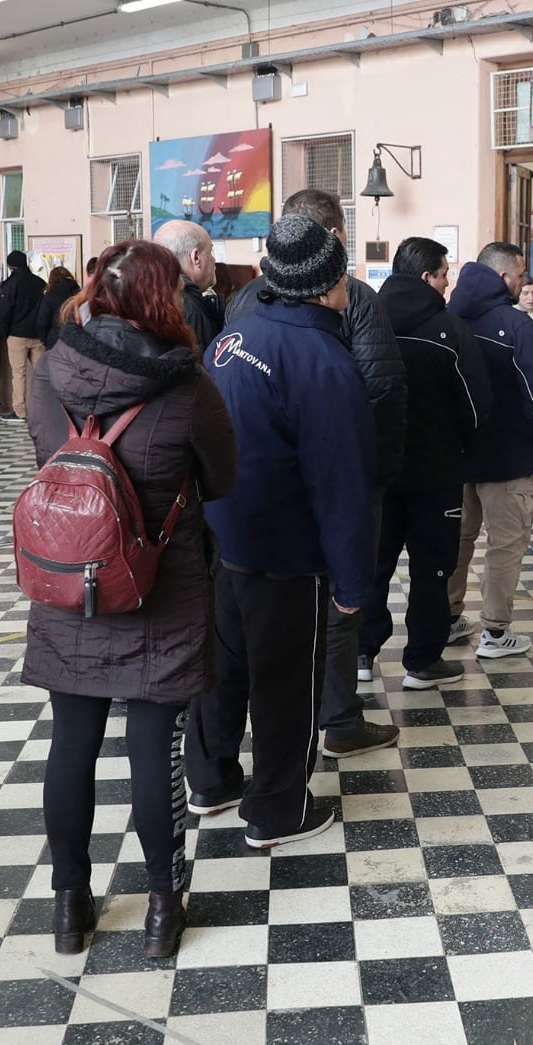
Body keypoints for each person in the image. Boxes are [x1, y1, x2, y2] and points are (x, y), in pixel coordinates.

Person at [23, 239, 236, 958]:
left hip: (70, 579)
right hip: (160, 588)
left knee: (71, 745)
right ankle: (161, 911)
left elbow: (48, 461)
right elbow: (225, 477)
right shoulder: (187, 387)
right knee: (153, 751)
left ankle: (69, 908)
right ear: (159, 299)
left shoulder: (50, 370)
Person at [186, 213, 376, 848]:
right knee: (286, 683)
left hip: (222, 537)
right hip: (287, 554)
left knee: (222, 669)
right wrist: (352, 582)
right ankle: (277, 811)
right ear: (325, 285)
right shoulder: (323, 362)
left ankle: (210, 781)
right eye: (343, 273)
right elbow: (341, 484)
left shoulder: (234, 336)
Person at [225, 188, 406, 758]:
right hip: (327, 472)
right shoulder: (345, 309)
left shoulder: (243, 307)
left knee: (251, 616)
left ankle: (227, 759)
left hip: (244, 492)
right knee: (337, 603)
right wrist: (366, 461)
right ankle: (338, 719)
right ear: (333, 239)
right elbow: (379, 385)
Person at [362, 236, 491, 690]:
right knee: (433, 569)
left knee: (373, 564)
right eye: (444, 274)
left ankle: (361, 653)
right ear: (426, 277)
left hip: (376, 473)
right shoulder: (449, 330)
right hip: (435, 474)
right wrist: (464, 449)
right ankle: (423, 660)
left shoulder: (365, 321)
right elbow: (476, 406)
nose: (448, 283)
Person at [447, 241, 533, 656]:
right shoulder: (515, 326)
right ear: (503, 275)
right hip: (508, 456)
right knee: (505, 544)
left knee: (458, 540)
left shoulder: (449, 318)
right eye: (520, 273)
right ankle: (495, 633)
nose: (523, 280)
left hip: (458, 455)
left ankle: (446, 618)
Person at [0, 249, 46, 423]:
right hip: (37, 334)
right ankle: (46, 410)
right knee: (42, 373)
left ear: (10, 266)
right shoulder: (39, 283)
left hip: (16, 335)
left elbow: (6, 310)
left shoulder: (10, 284)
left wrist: (5, 332)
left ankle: (20, 411)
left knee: (19, 374)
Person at [154, 219, 222, 349]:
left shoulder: (152, 296)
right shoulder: (189, 308)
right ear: (196, 257)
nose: (214, 260)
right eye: (210, 252)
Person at [33, 265, 82, 351]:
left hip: (55, 340)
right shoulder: (79, 294)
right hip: (76, 339)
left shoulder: (49, 295)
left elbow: (42, 321)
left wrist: (45, 339)